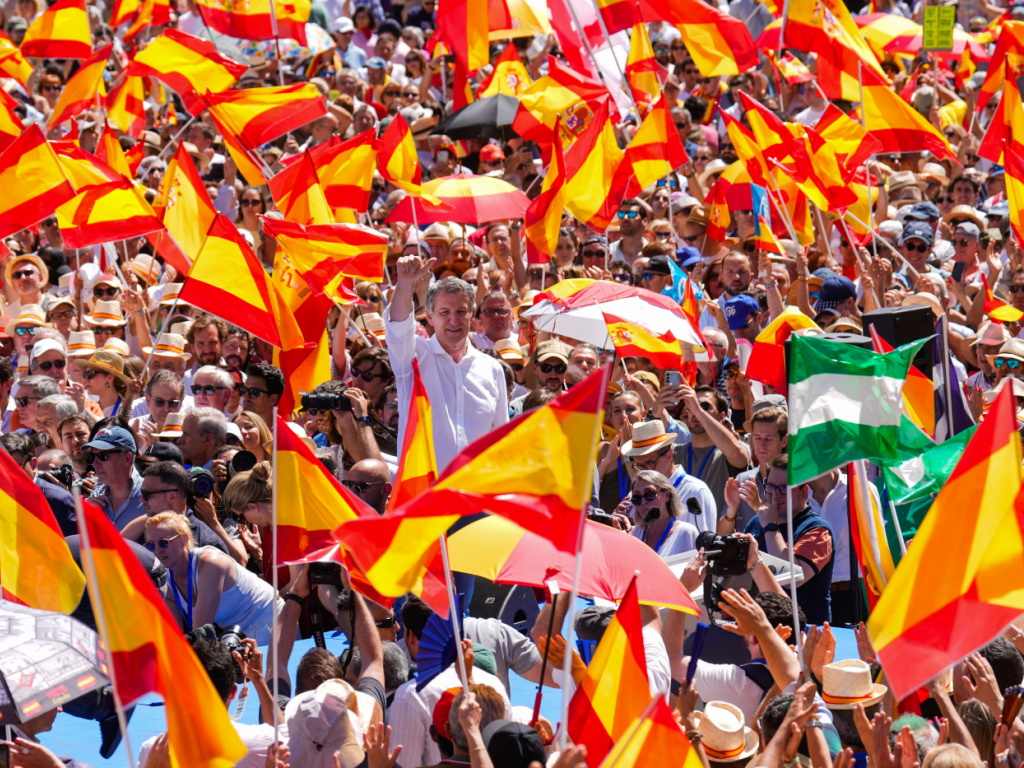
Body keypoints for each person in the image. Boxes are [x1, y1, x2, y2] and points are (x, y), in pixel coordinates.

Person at [384, 253, 508, 472]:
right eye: (444, 312)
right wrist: (405, 283)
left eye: (461, 311)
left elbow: (501, 442)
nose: (453, 320)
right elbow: (398, 325)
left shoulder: (492, 369)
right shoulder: (412, 357)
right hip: (424, 490)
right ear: (430, 317)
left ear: (472, 314)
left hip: (475, 490)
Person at [145, 511, 280, 643]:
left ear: (184, 538)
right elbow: (175, 635)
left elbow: (200, 631)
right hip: (238, 634)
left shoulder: (211, 562)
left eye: (163, 542)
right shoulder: (165, 577)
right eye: (151, 545)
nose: (157, 550)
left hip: (271, 623)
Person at [745, 454, 835, 624]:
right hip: (762, 626)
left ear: (804, 492)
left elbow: (790, 579)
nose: (776, 494)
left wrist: (771, 527)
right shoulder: (757, 522)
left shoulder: (818, 530)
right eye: (771, 487)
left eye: (785, 488)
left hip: (805, 631)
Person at [620, 420, 716, 532]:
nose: (644, 471)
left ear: (669, 456)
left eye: (650, 463)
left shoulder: (696, 491)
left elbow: (704, 541)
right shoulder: (636, 494)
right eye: (639, 465)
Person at [86, 425, 146, 531]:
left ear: (127, 458)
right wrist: (87, 517)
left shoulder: (151, 493)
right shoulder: (95, 495)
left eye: (103, 456)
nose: (95, 464)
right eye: (92, 456)